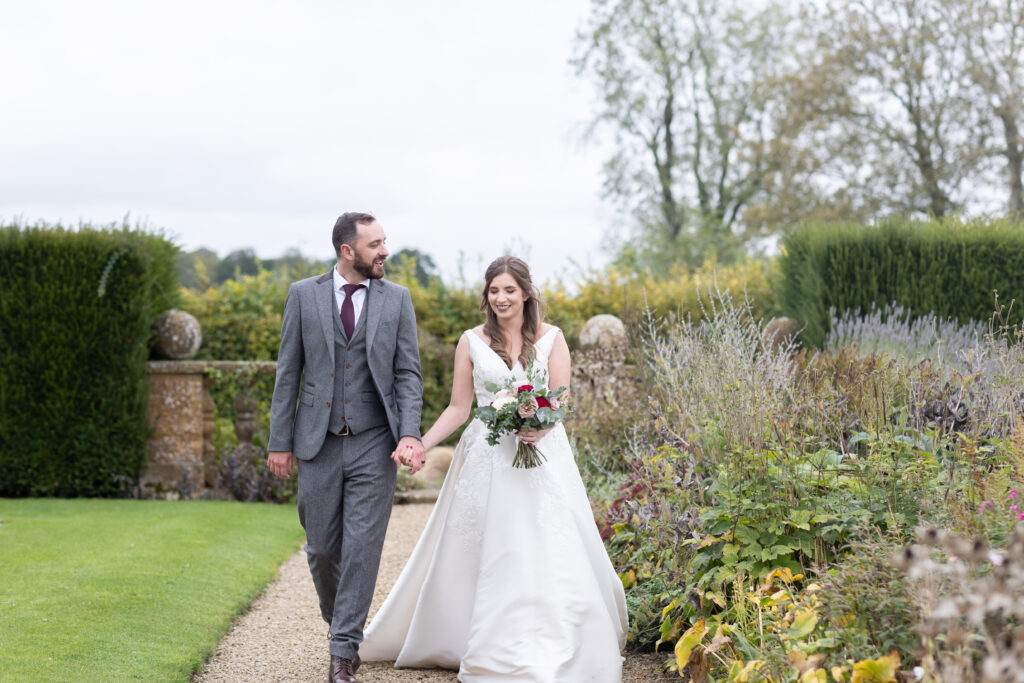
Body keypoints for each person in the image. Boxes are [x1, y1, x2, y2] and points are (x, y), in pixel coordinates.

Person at [360, 255, 628, 682]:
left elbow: (559, 400)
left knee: (545, 542)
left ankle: (557, 635)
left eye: (509, 290)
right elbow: (459, 407)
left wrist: (541, 424)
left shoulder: (553, 338)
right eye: (493, 290)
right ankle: (473, 635)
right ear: (486, 296)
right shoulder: (470, 341)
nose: (501, 298)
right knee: (489, 544)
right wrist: (420, 443)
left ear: (525, 293)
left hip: (543, 455)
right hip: (487, 458)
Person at [266, 212, 426, 683]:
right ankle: (342, 626)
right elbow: (287, 372)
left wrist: (409, 433)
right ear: (347, 251)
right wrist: (280, 441)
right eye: (375, 244)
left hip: (376, 443)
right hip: (316, 442)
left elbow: (408, 374)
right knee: (321, 550)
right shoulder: (303, 295)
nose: (385, 251)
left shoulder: (397, 300)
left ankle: (342, 652)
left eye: (385, 241)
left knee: (362, 548)